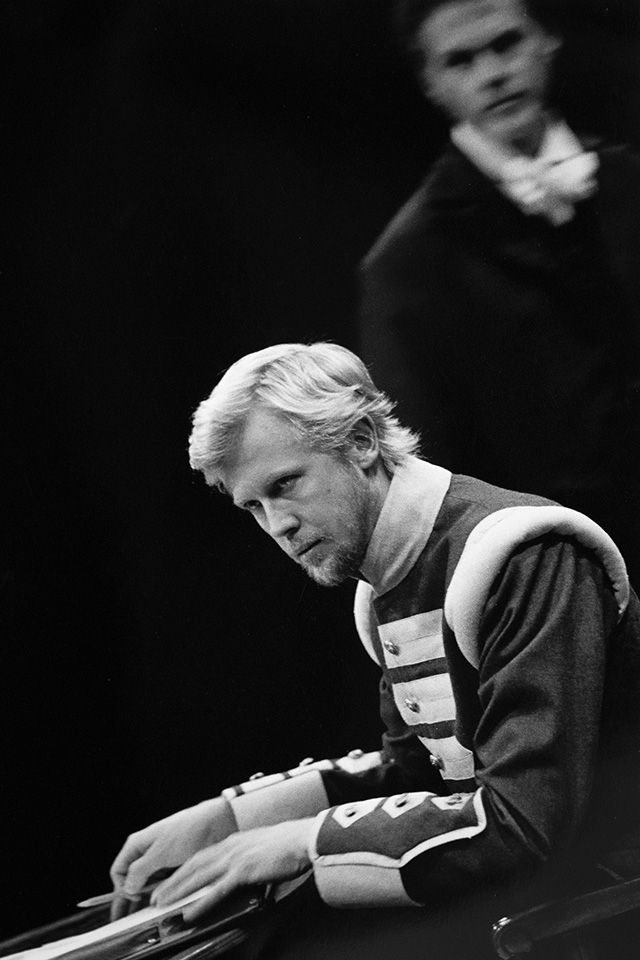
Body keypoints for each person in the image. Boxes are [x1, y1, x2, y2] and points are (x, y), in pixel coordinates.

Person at [109, 342, 640, 959]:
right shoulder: (386, 584)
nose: (277, 525)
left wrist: (298, 842)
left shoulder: (522, 551)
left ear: (361, 442)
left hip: (601, 895)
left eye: (286, 485)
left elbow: (525, 823)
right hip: (530, 890)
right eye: (253, 505)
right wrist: (234, 820)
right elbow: (419, 774)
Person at [358, 0, 640, 586]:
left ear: (548, 40)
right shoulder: (409, 265)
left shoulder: (629, 186)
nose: (492, 73)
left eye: (507, 44)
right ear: (430, 83)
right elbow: (430, 491)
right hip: (564, 591)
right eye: (460, 60)